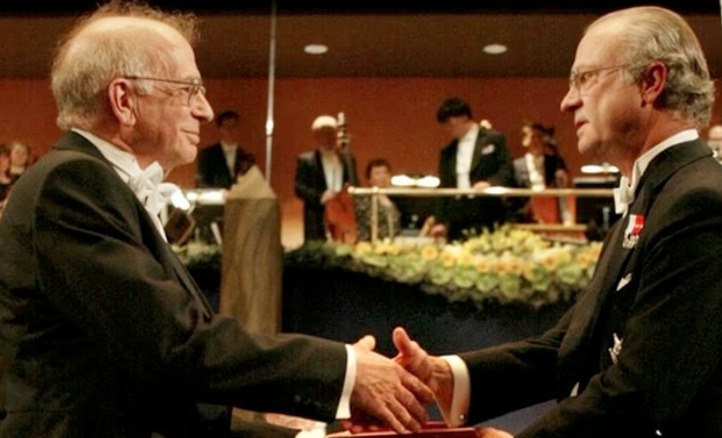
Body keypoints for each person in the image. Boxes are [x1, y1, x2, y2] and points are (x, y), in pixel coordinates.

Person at [0, 2, 433, 437]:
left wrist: (311, 434)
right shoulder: (72, 182)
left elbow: (162, 395)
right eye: (189, 89)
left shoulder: (88, 181)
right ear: (124, 100)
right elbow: (176, 346)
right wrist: (346, 372)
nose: (205, 110)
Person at [392, 6, 722, 437]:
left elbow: (638, 395)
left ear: (651, 83)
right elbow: (571, 344)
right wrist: (449, 376)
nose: (568, 100)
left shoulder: (702, 206)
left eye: (585, 78)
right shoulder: (660, 193)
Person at [431, 97, 514, 241]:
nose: (449, 129)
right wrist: (440, 221)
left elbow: (507, 169)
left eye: (451, 124)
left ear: (464, 117)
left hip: (486, 209)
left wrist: (490, 183)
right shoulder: (448, 151)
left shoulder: (494, 139)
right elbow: (444, 186)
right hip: (458, 212)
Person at [294, 114, 359, 242]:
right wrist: (320, 197)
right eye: (323, 133)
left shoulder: (347, 159)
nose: (327, 137)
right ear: (316, 136)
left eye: (330, 133)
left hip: (343, 212)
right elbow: (299, 187)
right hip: (317, 214)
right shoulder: (307, 160)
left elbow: (354, 183)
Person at [510, 122, 572, 224]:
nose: (536, 141)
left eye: (539, 137)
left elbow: (564, 184)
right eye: (533, 137)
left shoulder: (555, 162)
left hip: (551, 214)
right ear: (525, 141)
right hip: (527, 216)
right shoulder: (515, 166)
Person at [196, 109, 256, 189]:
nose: (230, 130)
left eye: (234, 126)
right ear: (220, 129)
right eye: (226, 127)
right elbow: (201, 184)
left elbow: (252, 186)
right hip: (214, 200)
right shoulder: (207, 155)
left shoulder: (247, 157)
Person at [354, 158, 401, 242]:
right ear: (370, 179)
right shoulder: (364, 200)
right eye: (377, 173)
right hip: (369, 246)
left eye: (385, 172)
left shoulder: (393, 201)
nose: (382, 176)